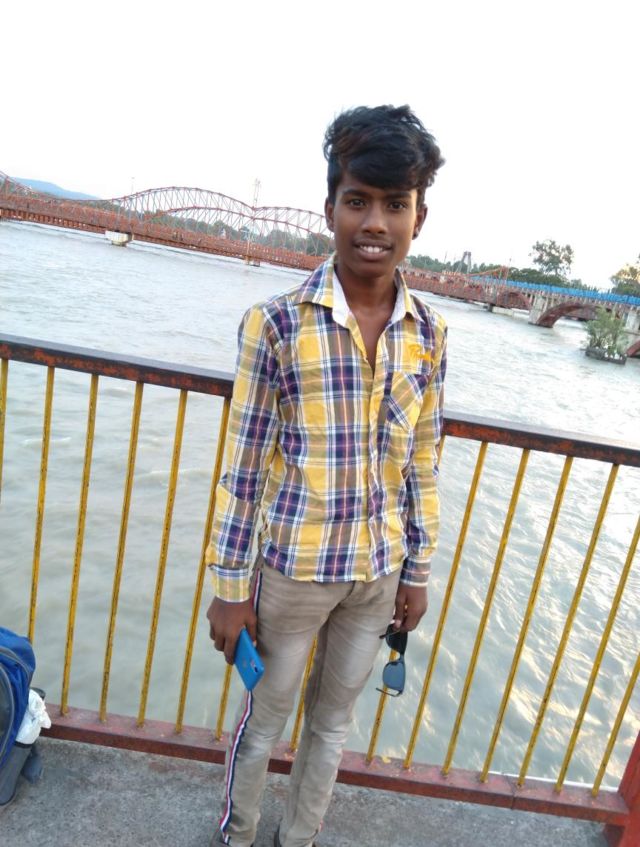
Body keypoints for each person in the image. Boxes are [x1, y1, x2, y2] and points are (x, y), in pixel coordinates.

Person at [206, 104, 447, 847]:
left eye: (394, 204)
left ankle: (299, 836)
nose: (374, 223)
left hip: (378, 572)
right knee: (265, 719)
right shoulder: (277, 324)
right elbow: (244, 467)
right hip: (294, 571)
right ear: (330, 208)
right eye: (357, 201)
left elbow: (423, 461)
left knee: (334, 723)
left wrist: (417, 572)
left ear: (418, 217)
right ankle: (238, 834)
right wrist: (230, 587)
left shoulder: (430, 332)